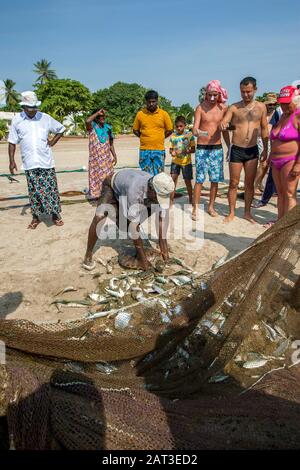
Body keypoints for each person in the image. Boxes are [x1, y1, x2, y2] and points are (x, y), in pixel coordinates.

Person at [83, 169, 175, 271]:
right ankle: (88, 255)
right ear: (152, 189)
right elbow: (133, 227)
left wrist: (165, 253)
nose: (159, 200)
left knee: (126, 226)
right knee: (99, 216)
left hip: (127, 190)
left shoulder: (160, 186)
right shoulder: (135, 191)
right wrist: (143, 260)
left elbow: (161, 220)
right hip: (112, 185)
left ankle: (122, 220)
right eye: (158, 197)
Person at [8, 91, 65, 229]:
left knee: (51, 189)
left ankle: (55, 215)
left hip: (46, 161)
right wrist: (11, 161)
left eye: (35, 107)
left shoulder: (45, 118)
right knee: (34, 191)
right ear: (23, 107)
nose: (33, 110)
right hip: (29, 162)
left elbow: (61, 129)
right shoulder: (17, 120)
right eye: (30, 107)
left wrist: (52, 142)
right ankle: (36, 217)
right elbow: (12, 142)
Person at [221, 77, 269, 223]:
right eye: (243, 92)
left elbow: (264, 128)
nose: (246, 95)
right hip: (236, 149)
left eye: (248, 92)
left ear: (255, 89)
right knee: (234, 183)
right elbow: (224, 122)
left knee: (249, 184)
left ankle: (247, 213)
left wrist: (265, 149)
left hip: (252, 150)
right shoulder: (234, 107)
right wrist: (224, 125)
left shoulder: (261, 107)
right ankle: (231, 213)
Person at [192, 80, 230, 219]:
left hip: (217, 148)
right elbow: (195, 128)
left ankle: (211, 206)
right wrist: (201, 133)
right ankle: (195, 208)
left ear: (219, 94)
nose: (212, 98)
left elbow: (225, 130)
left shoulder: (223, 109)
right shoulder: (200, 108)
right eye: (210, 95)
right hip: (202, 148)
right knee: (199, 179)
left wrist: (229, 146)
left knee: (215, 180)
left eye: (215, 95)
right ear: (206, 94)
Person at [267, 85, 300, 222]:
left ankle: (287, 227)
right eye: (283, 103)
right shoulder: (282, 117)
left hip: (291, 160)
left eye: (288, 103)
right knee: (280, 194)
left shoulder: (297, 116)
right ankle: (279, 224)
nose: (285, 106)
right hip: (276, 161)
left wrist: (298, 164)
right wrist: (270, 156)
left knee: (289, 193)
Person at [133, 90, 173, 175]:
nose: (151, 104)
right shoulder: (140, 114)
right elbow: (135, 130)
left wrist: (160, 137)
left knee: (159, 175)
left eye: (153, 102)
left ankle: (156, 189)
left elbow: (169, 130)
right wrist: (144, 137)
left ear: (157, 101)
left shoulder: (164, 114)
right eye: (149, 102)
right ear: (146, 102)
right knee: (145, 175)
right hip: (144, 150)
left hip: (159, 149)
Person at [252, 94, 282, 208]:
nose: (272, 106)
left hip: (271, 142)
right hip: (259, 140)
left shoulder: (277, 114)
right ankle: (255, 186)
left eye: (274, 104)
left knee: (266, 165)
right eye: (270, 104)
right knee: (262, 164)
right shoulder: (260, 113)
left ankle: (258, 183)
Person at [86, 108, 117, 200]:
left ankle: (108, 196)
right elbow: (87, 120)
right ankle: (97, 197)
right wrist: (97, 113)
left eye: (103, 116)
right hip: (95, 159)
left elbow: (111, 143)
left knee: (107, 178)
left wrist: (114, 155)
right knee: (96, 178)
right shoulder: (92, 127)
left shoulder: (108, 128)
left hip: (106, 159)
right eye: (99, 117)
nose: (102, 118)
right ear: (96, 118)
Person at [169, 116, 195, 206]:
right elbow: (170, 149)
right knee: (172, 181)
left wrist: (185, 151)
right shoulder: (173, 136)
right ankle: (171, 201)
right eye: (177, 126)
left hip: (186, 163)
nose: (179, 128)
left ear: (185, 126)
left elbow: (193, 149)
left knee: (187, 182)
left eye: (181, 126)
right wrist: (172, 152)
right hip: (175, 162)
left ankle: (191, 199)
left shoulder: (189, 135)